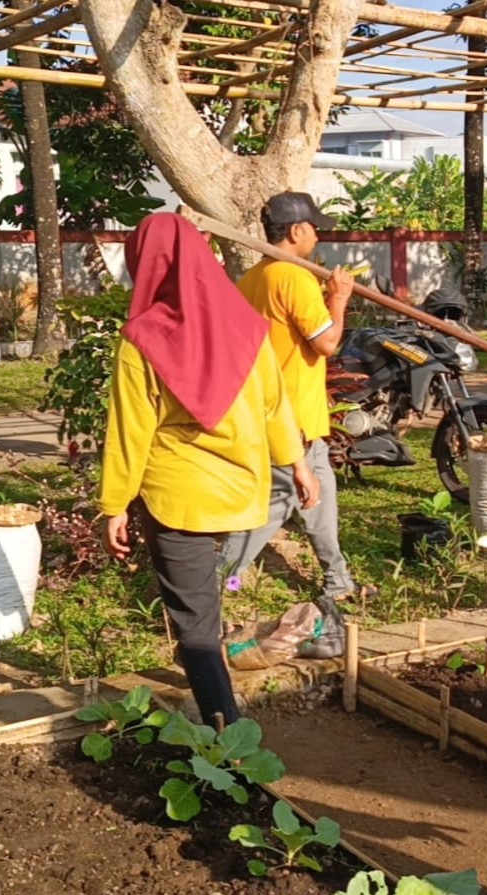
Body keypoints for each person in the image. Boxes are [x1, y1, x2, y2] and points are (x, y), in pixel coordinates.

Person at [100, 212, 319, 727]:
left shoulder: (142, 339)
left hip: (178, 499)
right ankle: (213, 676)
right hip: (242, 492)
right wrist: (299, 465)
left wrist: (112, 505)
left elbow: (130, 431)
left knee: (194, 619)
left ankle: (227, 733)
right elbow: (275, 406)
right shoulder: (249, 327)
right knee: (204, 599)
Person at [217, 191, 373, 608]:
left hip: (268, 411)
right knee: (273, 508)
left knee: (319, 500)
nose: (317, 236)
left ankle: (338, 581)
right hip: (292, 418)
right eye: (314, 228)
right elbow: (327, 343)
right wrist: (339, 299)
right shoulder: (294, 278)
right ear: (296, 230)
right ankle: (218, 585)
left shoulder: (253, 279)